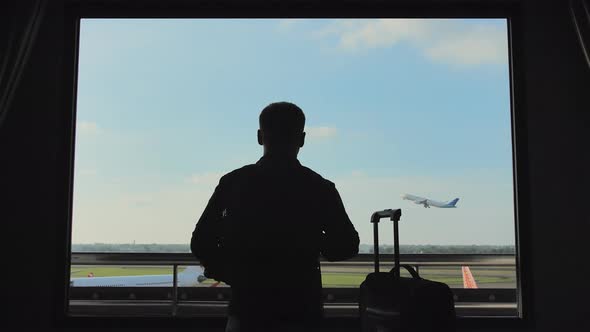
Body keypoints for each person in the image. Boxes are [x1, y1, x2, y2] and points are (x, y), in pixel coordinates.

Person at [191, 102, 359, 332]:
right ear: (301, 139)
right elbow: (347, 245)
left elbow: (201, 241)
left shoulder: (233, 183)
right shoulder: (320, 188)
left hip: (247, 310)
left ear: (260, 137)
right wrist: (309, 241)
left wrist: (234, 275)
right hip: (302, 310)